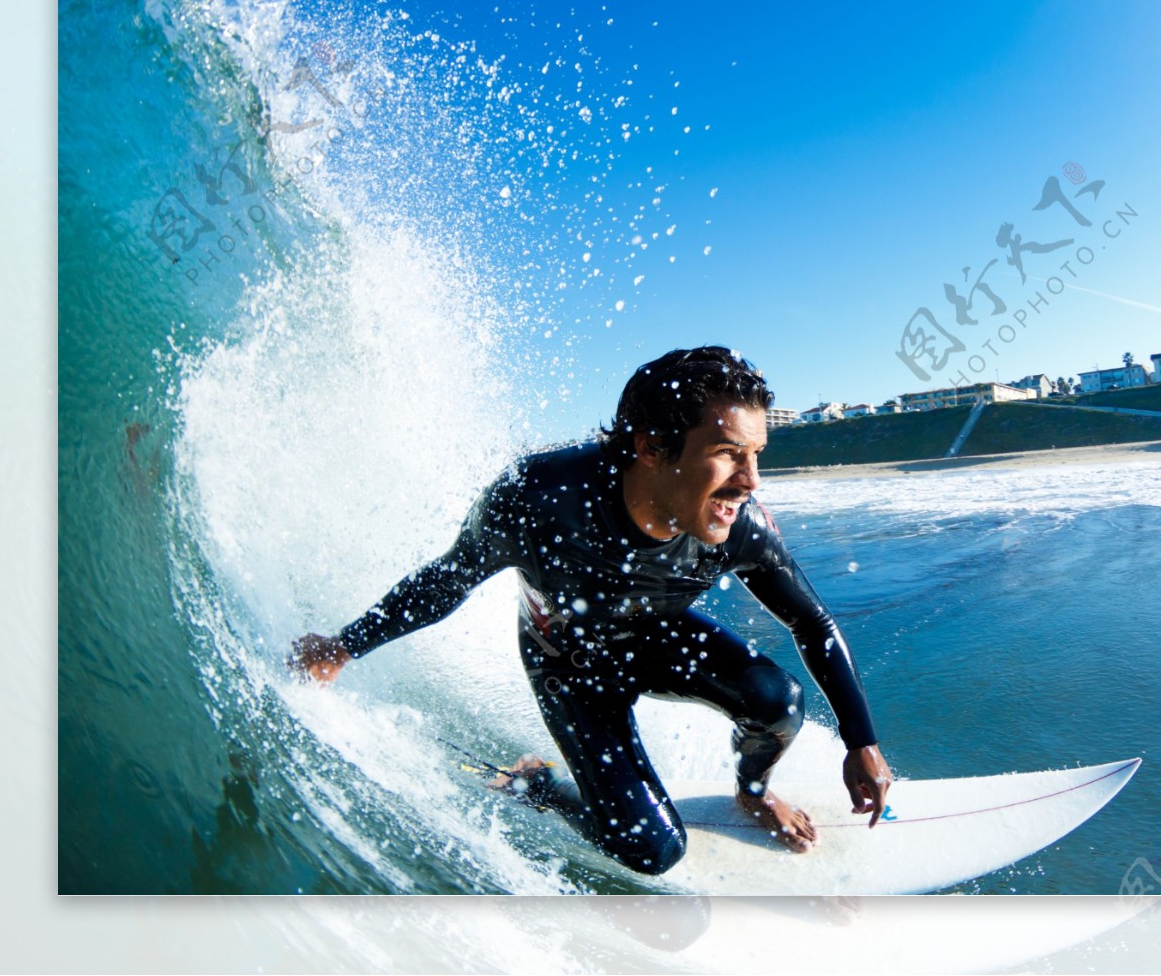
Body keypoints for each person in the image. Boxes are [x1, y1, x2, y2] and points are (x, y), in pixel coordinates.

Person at [290, 346, 891, 876]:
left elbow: (813, 622)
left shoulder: (742, 530)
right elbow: (448, 580)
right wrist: (342, 648)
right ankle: (543, 786)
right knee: (652, 852)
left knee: (778, 702)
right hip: (567, 661)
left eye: (756, 454)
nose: (751, 481)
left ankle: (754, 792)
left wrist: (860, 741)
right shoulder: (541, 498)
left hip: (659, 639)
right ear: (652, 445)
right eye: (730, 453)